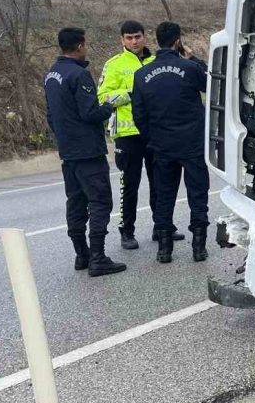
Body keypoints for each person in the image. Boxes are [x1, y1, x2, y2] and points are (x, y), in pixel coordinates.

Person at [44, 27, 127, 277]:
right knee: (100, 202)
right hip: (88, 152)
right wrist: (109, 106)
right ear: (80, 46)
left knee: (76, 202)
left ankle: (82, 253)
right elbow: (89, 113)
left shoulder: (52, 75)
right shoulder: (79, 75)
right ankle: (98, 257)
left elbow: (50, 115)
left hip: (68, 151)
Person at [97, 20, 184, 250]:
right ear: (122, 40)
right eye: (129, 38)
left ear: (145, 37)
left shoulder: (157, 61)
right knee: (130, 185)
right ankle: (127, 231)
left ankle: (162, 227)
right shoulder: (114, 64)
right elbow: (103, 97)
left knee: (160, 182)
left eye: (137, 36)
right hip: (127, 135)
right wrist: (133, 93)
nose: (134, 41)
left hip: (155, 132)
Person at [131, 22, 210, 264]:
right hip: (192, 143)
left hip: (162, 145)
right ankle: (198, 247)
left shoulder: (142, 74)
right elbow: (212, 85)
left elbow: (139, 114)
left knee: (164, 196)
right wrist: (195, 59)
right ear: (178, 41)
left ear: (156, 40)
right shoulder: (189, 68)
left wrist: (151, 138)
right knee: (198, 194)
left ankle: (164, 250)